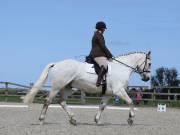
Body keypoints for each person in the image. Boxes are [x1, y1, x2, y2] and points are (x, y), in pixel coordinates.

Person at [89, 21, 113, 86]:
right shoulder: (99, 35)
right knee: (104, 66)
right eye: (104, 28)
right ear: (101, 28)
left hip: (96, 54)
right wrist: (109, 54)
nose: (104, 30)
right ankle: (99, 81)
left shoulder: (96, 34)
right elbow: (103, 46)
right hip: (97, 55)